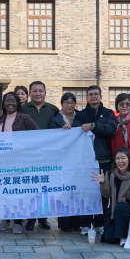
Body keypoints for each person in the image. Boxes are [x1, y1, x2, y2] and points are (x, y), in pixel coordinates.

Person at [0, 91, 40, 234]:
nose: (10, 103)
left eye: (13, 100)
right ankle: (6, 220)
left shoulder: (24, 118)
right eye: (7, 100)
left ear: (17, 103)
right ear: (3, 103)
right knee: (4, 192)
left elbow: (39, 135)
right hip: (1, 163)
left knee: (17, 192)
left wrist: (24, 148)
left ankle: (18, 222)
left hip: (19, 163)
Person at [75, 86, 118, 235]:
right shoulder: (80, 115)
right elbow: (76, 131)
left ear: (100, 96)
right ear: (87, 97)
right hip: (86, 160)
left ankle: (100, 223)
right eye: (91, 94)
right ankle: (85, 224)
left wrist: (93, 126)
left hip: (104, 158)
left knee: (103, 192)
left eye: (96, 94)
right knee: (85, 191)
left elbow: (111, 128)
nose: (93, 96)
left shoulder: (108, 113)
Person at [20, 81, 59, 230]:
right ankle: (30, 218)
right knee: (30, 187)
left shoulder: (53, 109)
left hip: (47, 155)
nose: (38, 94)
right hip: (28, 155)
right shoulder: (22, 109)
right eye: (35, 91)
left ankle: (43, 218)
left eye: (40, 91)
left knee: (45, 187)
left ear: (45, 93)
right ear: (30, 93)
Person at [92, 147, 130, 245]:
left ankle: (123, 238)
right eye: (117, 158)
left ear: (129, 159)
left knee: (120, 206)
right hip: (114, 212)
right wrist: (103, 183)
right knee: (108, 238)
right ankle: (125, 232)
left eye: (123, 158)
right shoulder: (110, 173)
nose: (120, 161)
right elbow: (107, 195)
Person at [49, 92, 82, 232]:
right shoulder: (55, 118)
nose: (69, 105)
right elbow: (50, 136)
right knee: (63, 191)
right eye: (66, 102)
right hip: (61, 160)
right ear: (62, 104)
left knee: (77, 190)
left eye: (72, 102)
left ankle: (76, 222)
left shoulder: (80, 116)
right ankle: (64, 224)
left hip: (78, 159)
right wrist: (61, 132)